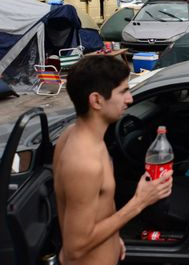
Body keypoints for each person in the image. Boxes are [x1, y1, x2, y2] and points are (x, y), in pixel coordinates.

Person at [54, 55, 173, 265]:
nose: (130, 99)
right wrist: (139, 202)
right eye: (123, 91)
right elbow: (75, 248)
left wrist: (114, 236)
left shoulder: (73, 134)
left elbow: (97, 212)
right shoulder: (84, 163)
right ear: (97, 100)